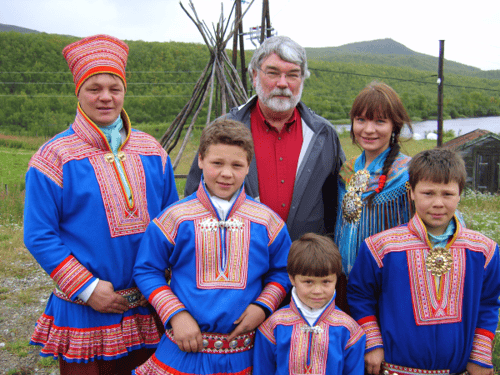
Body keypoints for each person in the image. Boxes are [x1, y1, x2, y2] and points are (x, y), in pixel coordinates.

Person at [24, 34, 179, 374]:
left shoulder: (153, 151)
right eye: (94, 88)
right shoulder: (53, 158)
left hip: (147, 306)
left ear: (124, 91)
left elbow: (174, 224)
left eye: (115, 87)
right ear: (78, 92)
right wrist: (88, 288)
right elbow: (39, 235)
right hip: (86, 309)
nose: (106, 97)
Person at [133, 119, 291, 374]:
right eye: (217, 163)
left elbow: (283, 271)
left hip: (248, 353)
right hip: (184, 350)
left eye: (237, 165)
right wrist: (176, 315)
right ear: (201, 160)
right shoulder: (174, 218)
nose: (226, 173)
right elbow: (146, 270)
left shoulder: (268, 222)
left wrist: (262, 307)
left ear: (249, 167)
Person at [347, 148, 500, 375]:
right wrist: (372, 343)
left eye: (447, 194)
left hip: (458, 370)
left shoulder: (483, 250)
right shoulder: (380, 248)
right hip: (394, 368)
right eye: (428, 193)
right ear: (411, 192)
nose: (438, 203)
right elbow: (360, 296)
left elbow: (488, 303)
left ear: (460, 193)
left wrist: (480, 355)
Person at [184, 35, 345, 242]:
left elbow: (337, 204)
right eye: (273, 73)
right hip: (241, 262)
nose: (282, 84)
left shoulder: (324, 135)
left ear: (302, 79)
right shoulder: (223, 130)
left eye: (293, 75)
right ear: (254, 75)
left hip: (306, 266)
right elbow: (196, 197)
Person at [253, 233, 366, 375]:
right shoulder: (273, 326)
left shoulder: (349, 331)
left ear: (336, 279)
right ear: (292, 279)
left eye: (326, 282)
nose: (317, 291)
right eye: (308, 282)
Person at [334, 81, 413, 277]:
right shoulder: (347, 170)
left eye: (379, 121)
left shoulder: (408, 174)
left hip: (388, 280)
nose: (368, 130)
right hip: (342, 279)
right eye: (361, 120)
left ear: (395, 125)